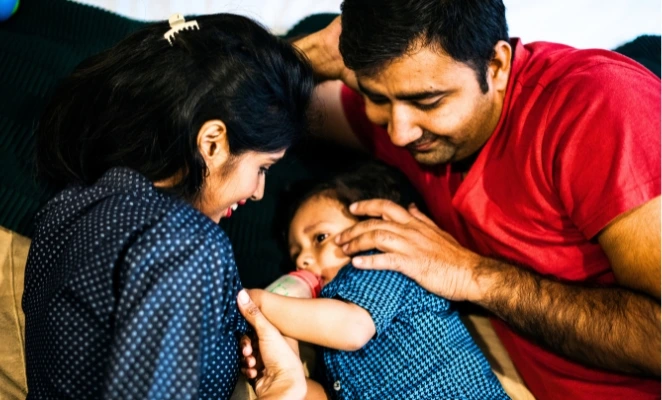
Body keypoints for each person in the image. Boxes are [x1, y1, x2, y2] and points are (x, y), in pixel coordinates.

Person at [290, 1, 661, 399]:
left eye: (428, 102)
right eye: (376, 97)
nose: (399, 133)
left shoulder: (597, 107)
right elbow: (257, 108)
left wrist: (473, 275)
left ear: (496, 66)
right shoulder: (403, 106)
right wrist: (306, 54)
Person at [23, 13, 314, 399]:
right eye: (262, 168)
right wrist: (286, 391)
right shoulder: (188, 245)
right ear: (212, 143)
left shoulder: (68, 205)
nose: (259, 191)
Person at [242, 163, 508, 399]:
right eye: (296, 255)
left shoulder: (383, 263)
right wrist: (282, 371)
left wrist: (258, 302)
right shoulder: (326, 335)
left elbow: (353, 328)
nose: (303, 260)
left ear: (375, 228)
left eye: (320, 238)